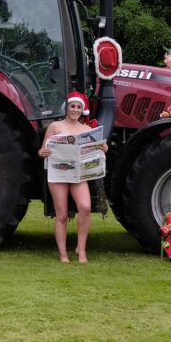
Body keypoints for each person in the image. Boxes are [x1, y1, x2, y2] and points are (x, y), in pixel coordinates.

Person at [37, 92, 108, 263]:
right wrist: (42, 152)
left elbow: (97, 150)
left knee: (85, 207)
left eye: (79, 107)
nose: (75, 110)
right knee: (61, 214)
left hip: (78, 174)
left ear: (83, 110)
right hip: (59, 174)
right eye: (72, 106)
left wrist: (103, 147)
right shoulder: (55, 126)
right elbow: (42, 150)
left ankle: (81, 249)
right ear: (67, 108)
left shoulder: (87, 129)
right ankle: (63, 254)